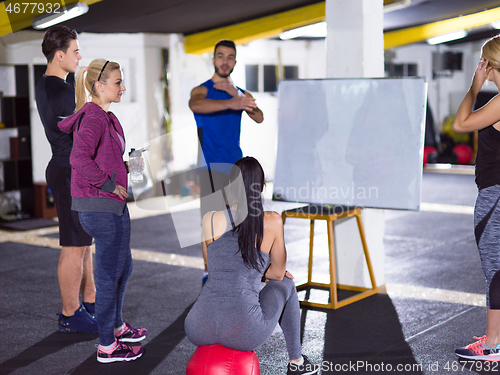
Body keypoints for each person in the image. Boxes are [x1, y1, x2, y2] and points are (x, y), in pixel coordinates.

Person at [184, 157, 318, 374]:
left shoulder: (209, 219)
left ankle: (298, 362)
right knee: (287, 282)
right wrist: (261, 273)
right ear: (262, 188)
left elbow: (212, 266)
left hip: (198, 326)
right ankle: (297, 362)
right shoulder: (272, 220)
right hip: (244, 332)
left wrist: (253, 271)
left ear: (230, 187)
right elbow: (277, 273)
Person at [58, 58, 147, 363]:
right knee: (108, 276)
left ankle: (117, 327)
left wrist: (127, 166)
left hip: (112, 204)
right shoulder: (94, 117)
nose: (123, 87)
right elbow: (79, 159)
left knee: (124, 268)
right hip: (100, 206)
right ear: (99, 86)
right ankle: (107, 346)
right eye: (118, 82)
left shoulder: (107, 117)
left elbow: (103, 160)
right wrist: (109, 185)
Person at [35, 25, 97, 333]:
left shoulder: (50, 82)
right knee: (75, 245)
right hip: (69, 170)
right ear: (59, 55)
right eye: (74, 51)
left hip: (69, 168)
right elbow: (81, 131)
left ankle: (90, 300)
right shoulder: (59, 91)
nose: (79, 56)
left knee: (85, 242)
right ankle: (70, 313)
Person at [189, 39, 264, 283]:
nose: (225, 61)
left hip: (237, 167)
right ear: (213, 60)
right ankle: (209, 273)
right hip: (210, 166)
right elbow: (195, 104)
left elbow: (259, 116)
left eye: (230, 57)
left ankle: (239, 270)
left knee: (240, 220)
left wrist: (238, 95)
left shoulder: (240, 92)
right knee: (210, 222)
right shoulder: (202, 90)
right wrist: (232, 102)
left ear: (234, 61)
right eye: (220, 56)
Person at [453, 34, 500, 360]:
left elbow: (460, 123)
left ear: (489, 64)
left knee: (494, 270)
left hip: (495, 195)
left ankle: (492, 345)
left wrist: (474, 85)